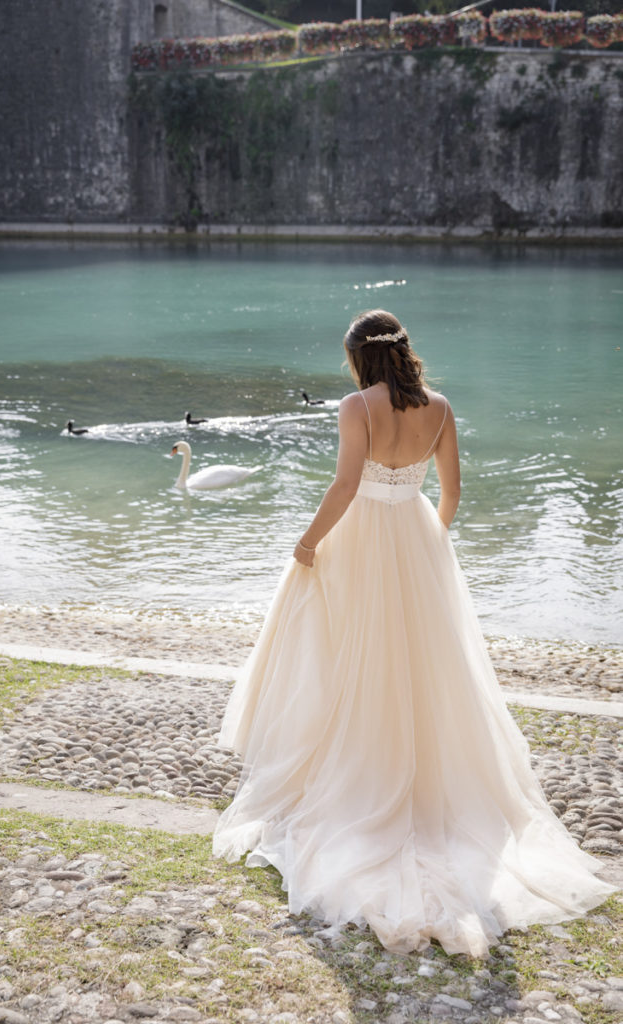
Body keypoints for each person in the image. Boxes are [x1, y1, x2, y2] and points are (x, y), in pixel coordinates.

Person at [212, 309, 614, 957]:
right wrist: (429, 544)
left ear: (357, 358)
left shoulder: (354, 406)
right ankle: (430, 779)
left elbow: (345, 486)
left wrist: (307, 542)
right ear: (402, 353)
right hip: (417, 539)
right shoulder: (440, 407)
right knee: (427, 668)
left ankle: (356, 766)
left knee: (348, 658)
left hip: (363, 538)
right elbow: (450, 490)